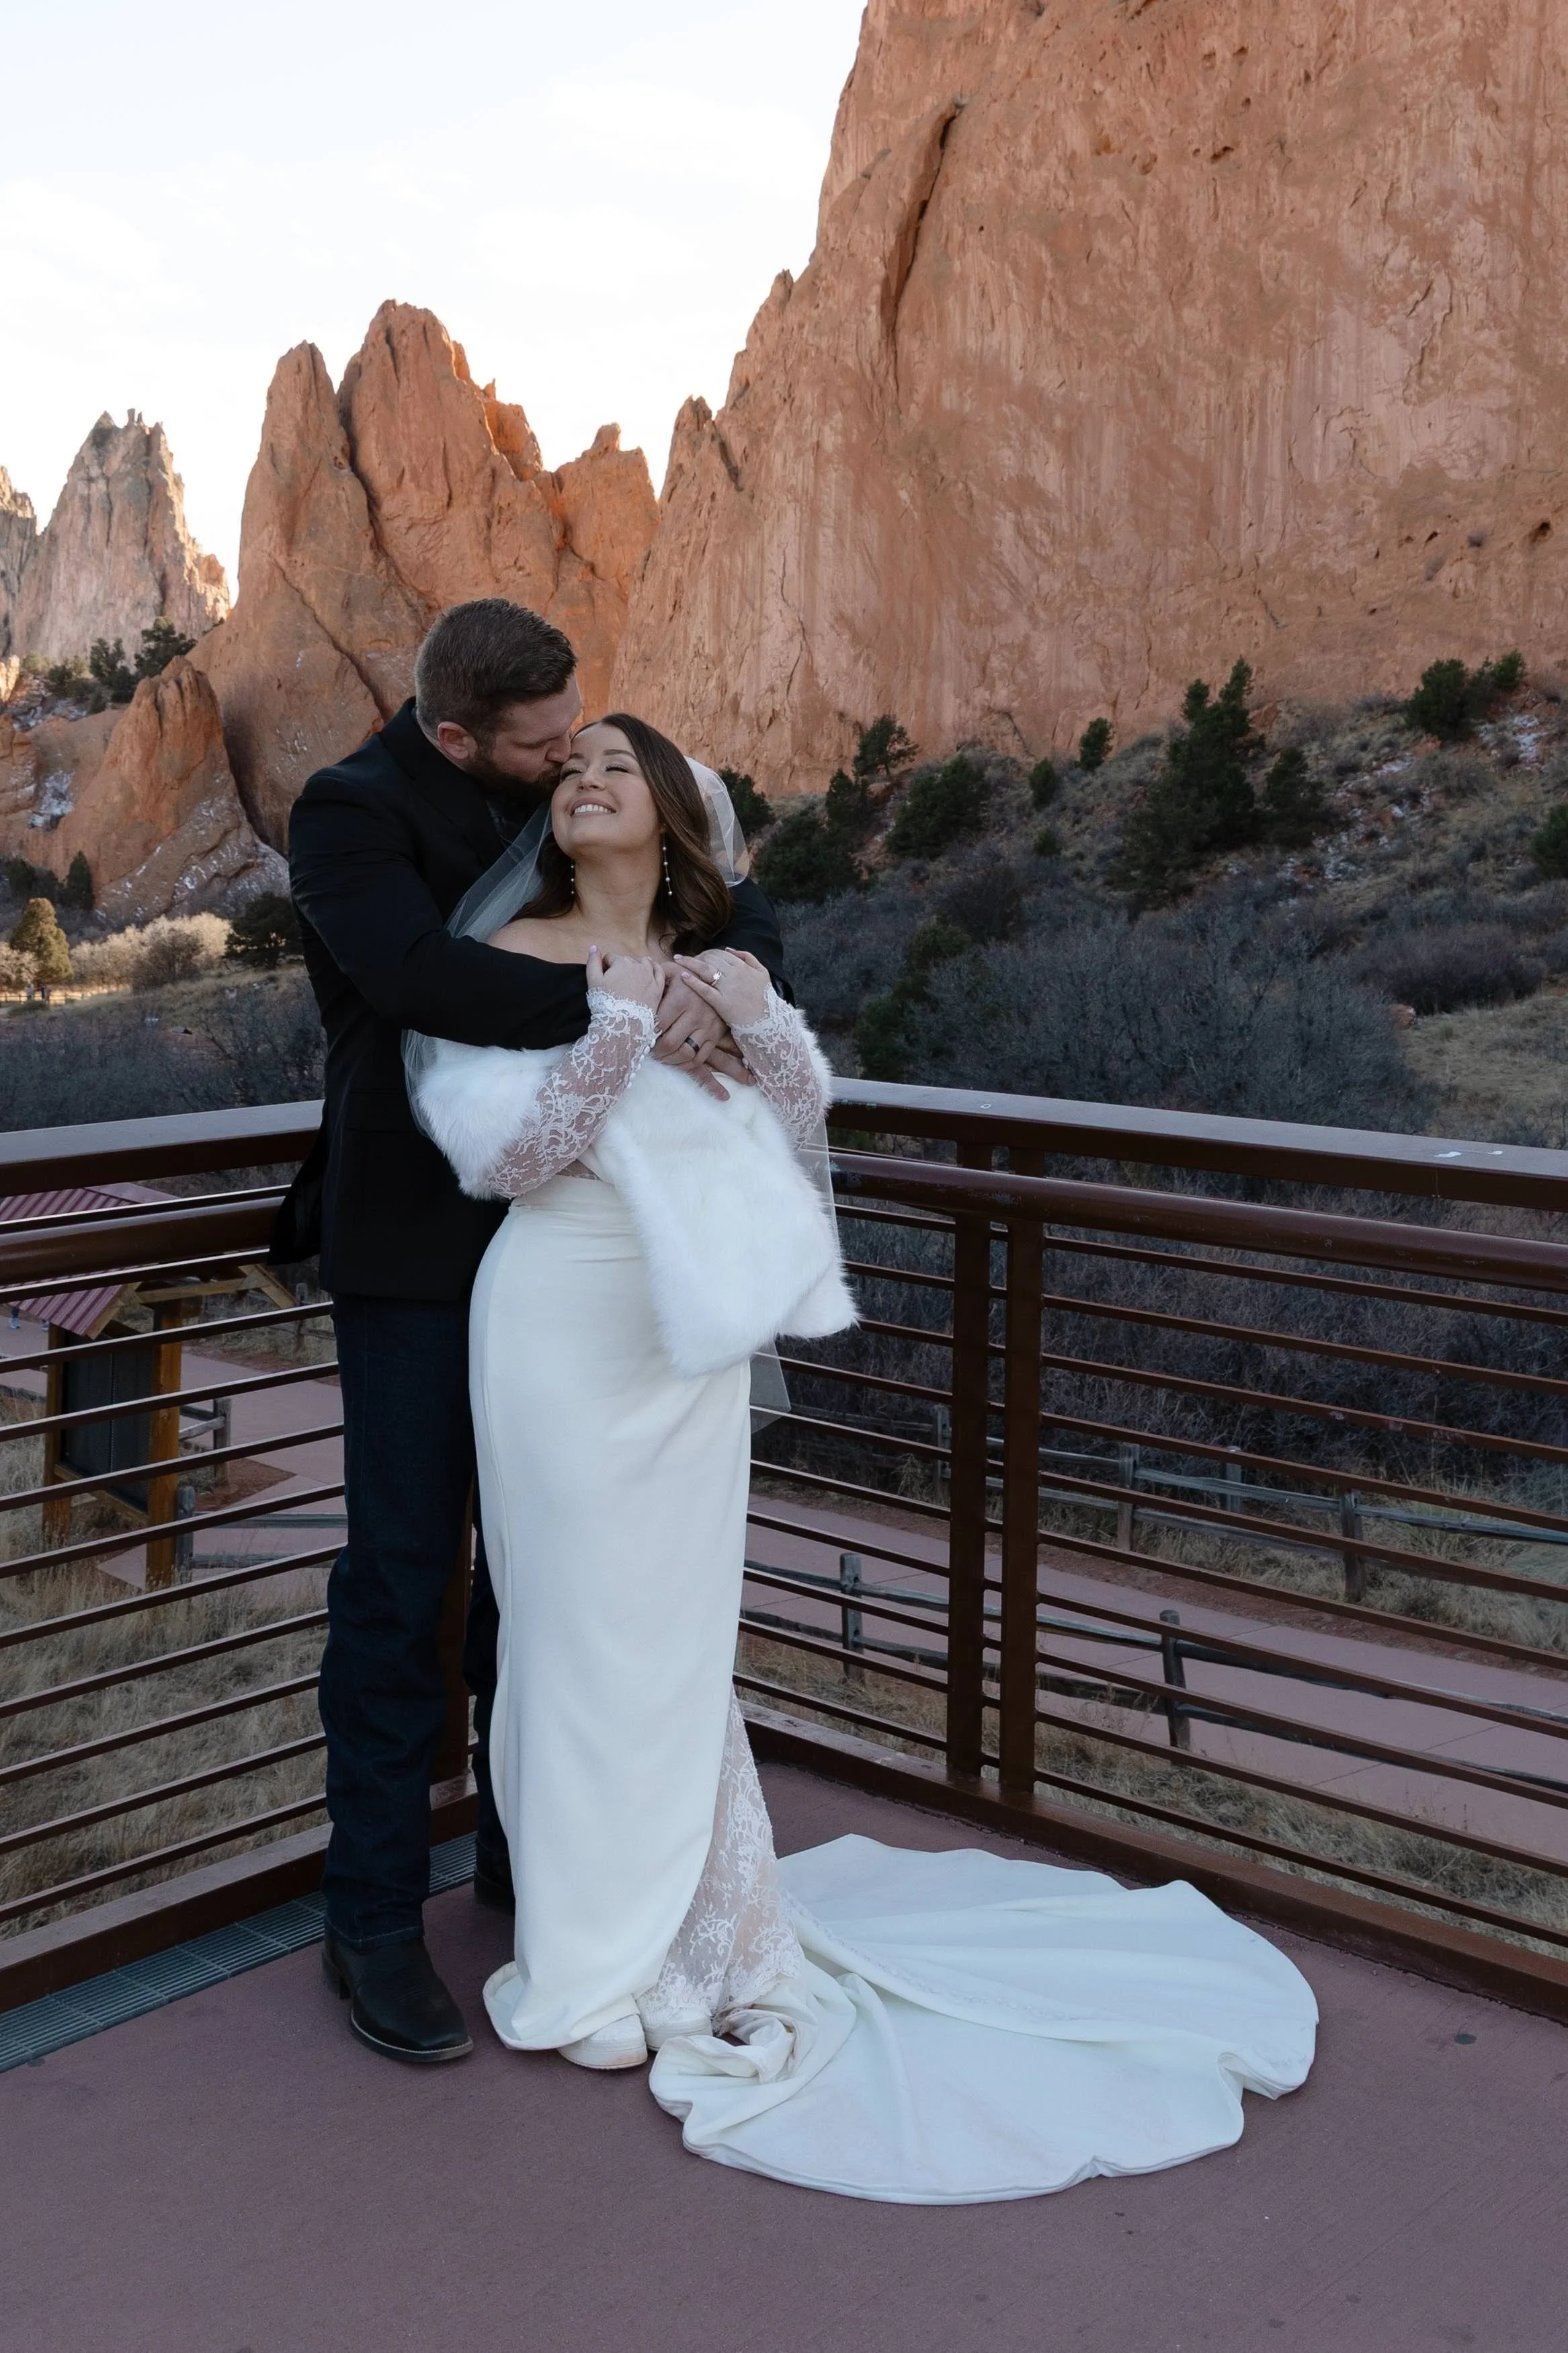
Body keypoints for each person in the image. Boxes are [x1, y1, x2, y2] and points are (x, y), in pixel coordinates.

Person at [412, 711, 1319, 2201]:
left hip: (682, 1341)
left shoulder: (729, 959)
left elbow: (798, 1112)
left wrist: (750, 1014)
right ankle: (584, 1965)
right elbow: (496, 1157)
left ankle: (672, 1928)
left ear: (671, 820)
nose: (579, 781)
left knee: (672, 1641)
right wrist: (622, 1023)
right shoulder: (511, 944)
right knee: (571, 1634)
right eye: (565, 766)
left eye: (612, 768)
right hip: (556, 1321)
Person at [286, 600, 788, 2065]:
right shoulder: (350, 815)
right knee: (400, 1586)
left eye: (577, 730)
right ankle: (371, 1922)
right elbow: (421, 981)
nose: (570, 755)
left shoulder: (585, 775)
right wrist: (619, 997)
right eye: (537, 744)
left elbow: (723, 881)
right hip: (419, 1251)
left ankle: (545, 1871)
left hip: (583, 1255)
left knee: (549, 1589)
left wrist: (723, 980)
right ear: (455, 736)